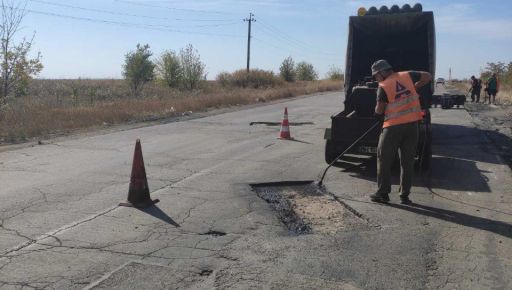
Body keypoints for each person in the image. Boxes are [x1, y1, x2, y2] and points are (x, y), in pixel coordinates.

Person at [369, 60, 432, 204]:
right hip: (412, 125)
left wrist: (376, 114)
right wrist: (414, 88)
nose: (376, 79)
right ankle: (404, 196)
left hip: (393, 127)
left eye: (376, 76)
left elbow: (379, 109)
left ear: (382, 72)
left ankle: (383, 193)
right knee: (407, 162)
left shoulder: (384, 86)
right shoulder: (407, 75)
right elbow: (427, 76)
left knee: (384, 159)